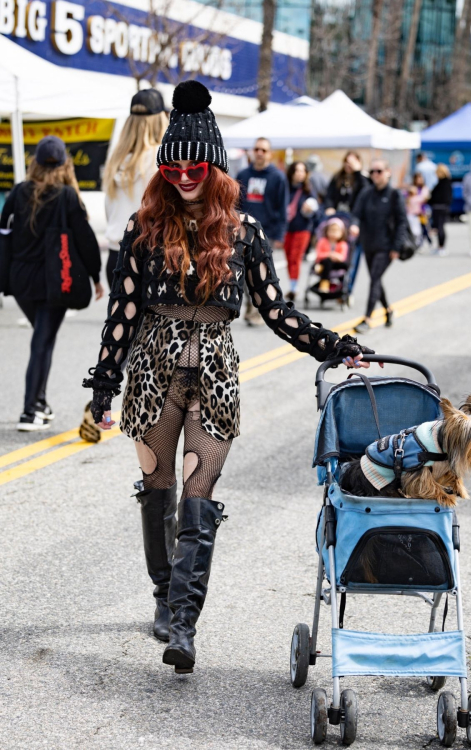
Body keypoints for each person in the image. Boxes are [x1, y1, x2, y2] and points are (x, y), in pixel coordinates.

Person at [83, 81, 379, 674]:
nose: (184, 176)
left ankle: (184, 627)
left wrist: (337, 345)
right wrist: (102, 388)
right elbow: (123, 315)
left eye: (195, 166)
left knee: (198, 496)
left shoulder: (244, 232)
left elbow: (276, 311)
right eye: (172, 166)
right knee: (157, 489)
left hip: (214, 378)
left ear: (215, 166)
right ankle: (164, 597)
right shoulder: (145, 232)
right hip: (152, 374)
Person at [0, 136, 103, 431]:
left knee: (42, 340)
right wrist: (95, 276)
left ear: (34, 164)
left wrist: (4, 278)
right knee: (42, 342)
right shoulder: (67, 197)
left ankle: (40, 404)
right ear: (64, 165)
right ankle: (30, 410)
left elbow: (3, 237)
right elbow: (84, 240)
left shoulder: (18, 193)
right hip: (55, 281)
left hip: (21, 281)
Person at [103, 89, 168, 289]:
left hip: (116, 255)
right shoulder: (162, 156)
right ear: (160, 119)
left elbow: (109, 209)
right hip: (150, 255)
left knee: (121, 319)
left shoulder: (116, 159)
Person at [237, 137, 288, 325]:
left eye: (264, 150)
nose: (259, 153)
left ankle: (261, 309)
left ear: (270, 154)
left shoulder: (278, 177)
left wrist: (279, 235)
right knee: (240, 273)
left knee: (261, 274)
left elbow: (282, 208)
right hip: (242, 232)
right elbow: (235, 203)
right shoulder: (243, 174)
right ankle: (250, 306)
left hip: (266, 233)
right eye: (257, 149)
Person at [352, 159, 406, 333]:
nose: (375, 174)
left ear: (388, 172)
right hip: (369, 245)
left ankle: (367, 319)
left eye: (379, 171)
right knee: (377, 279)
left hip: (386, 246)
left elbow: (401, 222)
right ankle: (389, 311)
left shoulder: (394, 195)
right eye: (372, 171)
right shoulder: (366, 193)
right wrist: (354, 225)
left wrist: (396, 247)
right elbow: (356, 214)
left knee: (375, 279)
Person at [283, 161, 318, 301]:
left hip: (303, 228)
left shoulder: (308, 190)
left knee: (295, 257)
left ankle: (293, 287)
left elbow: (317, 212)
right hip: (287, 228)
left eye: (302, 171)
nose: (299, 173)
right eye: (297, 170)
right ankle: (292, 284)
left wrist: (310, 210)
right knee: (288, 257)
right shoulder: (284, 188)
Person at [314, 218, 349, 293]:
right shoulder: (322, 241)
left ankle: (342, 287)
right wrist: (329, 254)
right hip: (324, 262)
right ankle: (324, 284)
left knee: (346, 265)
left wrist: (335, 255)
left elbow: (342, 257)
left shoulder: (343, 244)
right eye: (331, 230)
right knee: (327, 261)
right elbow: (318, 254)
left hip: (336, 264)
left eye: (336, 230)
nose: (334, 233)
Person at [428, 164, 453, 257]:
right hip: (441, 207)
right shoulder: (444, 183)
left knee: (440, 227)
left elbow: (439, 197)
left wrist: (431, 199)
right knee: (438, 228)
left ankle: (442, 247)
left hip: (440, 208)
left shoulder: (444, 183)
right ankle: (440, 246)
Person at [405, 173, 430, 246]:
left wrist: (413, 198)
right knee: (413, 230)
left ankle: (425, 242)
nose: (419, 180)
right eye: (418, 178)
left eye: (420, 178)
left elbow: (424, 198)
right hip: (411, 212)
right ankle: (415, 243)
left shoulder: (424, 188)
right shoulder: (412, 188)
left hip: (421, 212)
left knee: (423, 229)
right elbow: (407, 199)